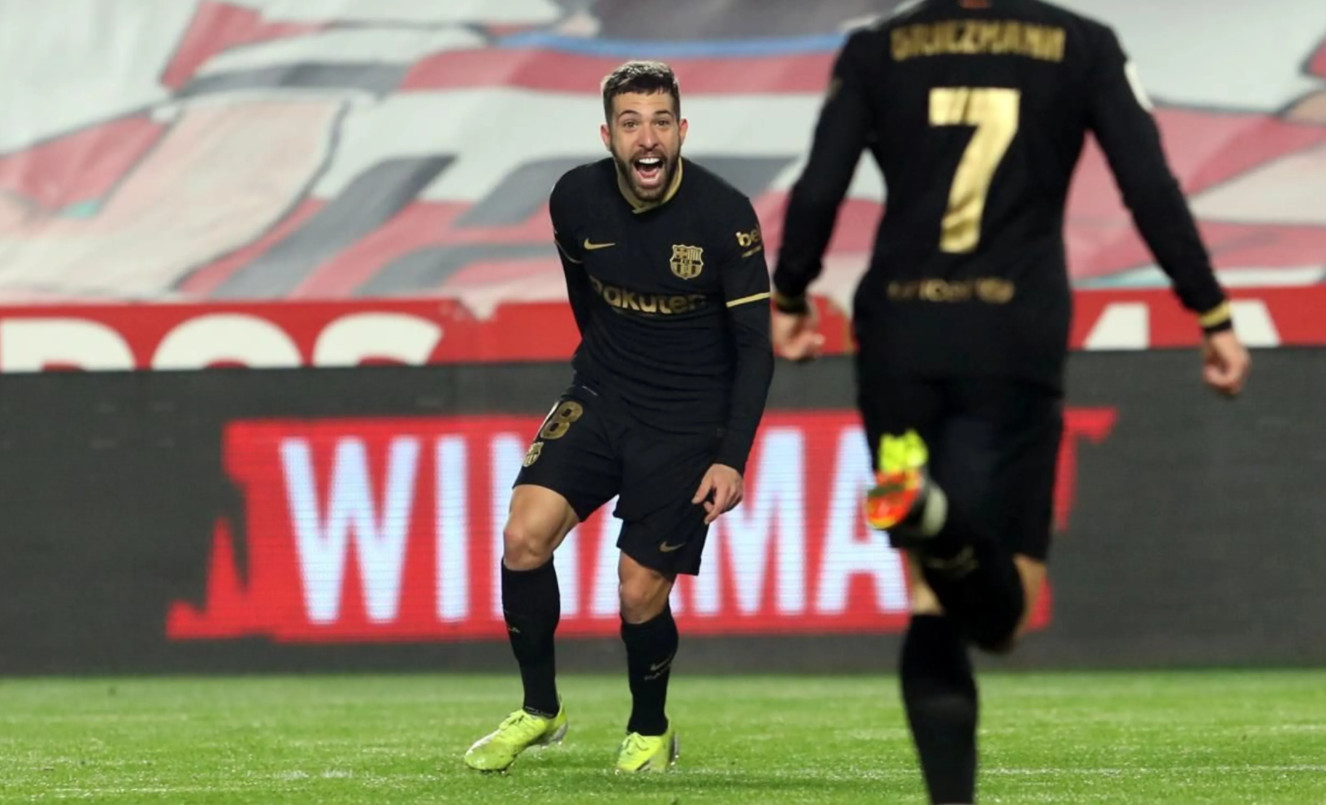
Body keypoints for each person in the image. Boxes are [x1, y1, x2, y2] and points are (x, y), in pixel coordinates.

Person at [770, 1, 1251, 802]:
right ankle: (934, 515)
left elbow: (820, 183)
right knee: (1004, 615)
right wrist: (1210, 310)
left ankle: (926, 521)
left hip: (900, 335)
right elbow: (1147, 183)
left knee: (930, 594)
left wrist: (790, 292)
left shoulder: (876, 47)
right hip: (1011, 334)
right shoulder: (1080, 44)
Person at [464, 60, 774, 774]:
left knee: (639, 592)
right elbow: (587, 296)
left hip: (688, 421)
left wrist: (731, 454)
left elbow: (756, 349)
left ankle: (650, 727)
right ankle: (540, 709)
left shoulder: (725, 216)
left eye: (661, 121)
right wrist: (599, 368)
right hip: (603, 394)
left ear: (682, 130)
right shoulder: (573, 198)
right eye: (631, 122)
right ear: (608, 134)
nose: (648, 137)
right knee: (523, 536)